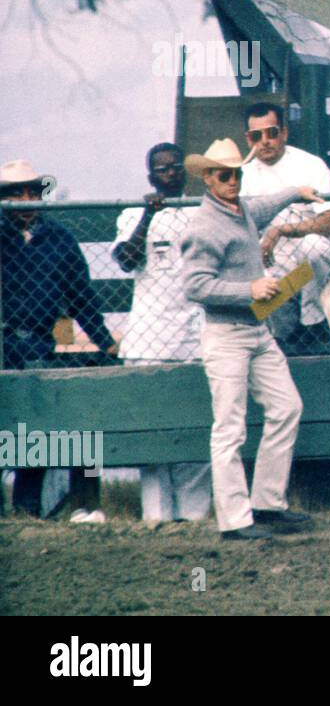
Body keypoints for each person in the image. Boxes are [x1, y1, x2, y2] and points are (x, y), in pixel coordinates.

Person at [180, 138, 323, 540]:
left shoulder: (239, 210)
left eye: (237, 174)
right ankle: (235, 521)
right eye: (224, 175)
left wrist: (296, 191)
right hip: (226, 335)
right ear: (207, 178)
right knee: (230, 428)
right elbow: (195, 286)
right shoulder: (204, 227)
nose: (233, 181)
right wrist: (250, 290)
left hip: (256, 330)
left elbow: (263, 205)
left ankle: (267, 504)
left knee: (287, 406)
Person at [1, 159, 117, 518]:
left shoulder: (60, 239)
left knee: (39, 426)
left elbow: (80, 295)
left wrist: (104, 340)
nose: (25, 199)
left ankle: (31, 511)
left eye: (32, 191)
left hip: (36, 342)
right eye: (14, 193)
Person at [111, 143, 211, 523]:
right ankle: (157, 519)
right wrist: (149, 217)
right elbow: (125, 260)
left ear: (184, 172)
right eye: (161, 169)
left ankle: (194, 518)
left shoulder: (201, 211)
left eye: (174, 167)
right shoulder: (131, 214)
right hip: (149, 340)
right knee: (153, 434)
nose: (169, 173)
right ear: (150, 175)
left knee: (197, 431)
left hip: (194, 337)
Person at [239, 103, 330, 354]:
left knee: (312, 248)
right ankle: (285, 334)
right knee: (257, 269)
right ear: (248, 139)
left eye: (271, 133)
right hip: (271, 250)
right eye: (256, 136)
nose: (265, 141)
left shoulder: (310, 165)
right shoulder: (243, 175)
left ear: (284, 133)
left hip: (313, 244)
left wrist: (282, 230)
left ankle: (314, 322)